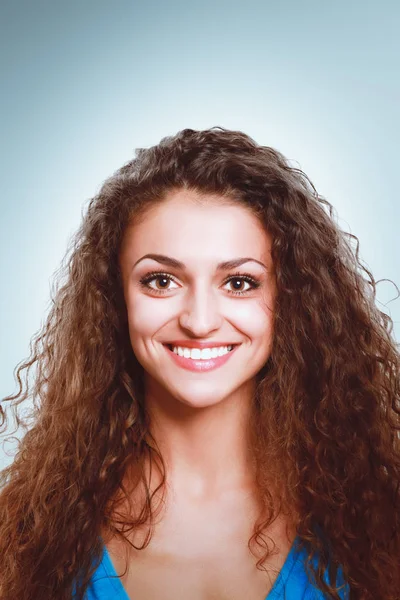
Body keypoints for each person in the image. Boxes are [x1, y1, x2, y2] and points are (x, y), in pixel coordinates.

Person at [0, 127, 399, 600]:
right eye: (162, 280)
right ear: (115, 298)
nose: (199, 321)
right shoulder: (23, 534)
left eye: (239, 283)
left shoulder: (379, 520)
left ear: (291, 298)